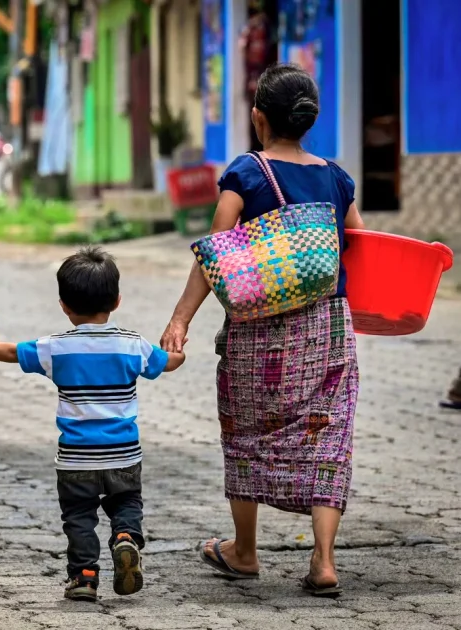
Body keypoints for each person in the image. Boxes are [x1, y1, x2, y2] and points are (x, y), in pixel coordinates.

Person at [160, 63, 364, 598]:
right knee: (328, 434)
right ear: (309, 120)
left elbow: (215, 256)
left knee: (248, 430)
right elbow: (361, 248)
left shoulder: (245, 174)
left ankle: (245, 552)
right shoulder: (337, 178)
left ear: (258, 117)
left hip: (259, 329)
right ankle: (323, 560)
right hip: (327, 327)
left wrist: (180, 318)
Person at [0, 247, 185, 602]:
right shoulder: (132, 345)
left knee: (79, 517)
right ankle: (126, 537)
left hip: (75, 459)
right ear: (117, 300)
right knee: (126, 503)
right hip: (123, 455)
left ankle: (83, 577)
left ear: (64, 305)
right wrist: (179, 351)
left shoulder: (57, 348)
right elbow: (168, 363)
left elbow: (13, 350)